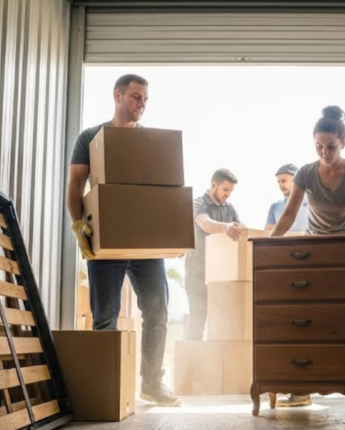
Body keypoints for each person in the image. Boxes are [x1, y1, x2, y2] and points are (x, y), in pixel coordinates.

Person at [67, 74, 180, 407]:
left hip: (145, 242)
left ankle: (152, 384)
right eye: (135, 97)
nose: (141, 104)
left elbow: (165, 189)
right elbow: (76, 185)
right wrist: (77, 225)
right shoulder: (91, 137)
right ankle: (107, 388)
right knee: (105, 316)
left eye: (145, 99)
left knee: (158, 311)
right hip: (107, 239)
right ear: (117, 96)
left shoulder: (150, 142)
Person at [270, 105, 345, 410]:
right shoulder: (306, 173)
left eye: (331, 146)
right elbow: (289, 214)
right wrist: (268, 247)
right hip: (314, 253)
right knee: (312, 321)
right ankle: (304, 387)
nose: (325, 151)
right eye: (319, 146)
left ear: (343, 142)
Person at [184, 169, 243, 341]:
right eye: (225, 190)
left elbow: (242, 228)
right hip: (197, 273)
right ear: (214, 185)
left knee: (221, 321)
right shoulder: (198, 204)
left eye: (231, 191)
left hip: (220, 275)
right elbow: (205, 224)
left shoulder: (230, 208)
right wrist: (226, 227)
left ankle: (215, 364)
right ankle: (191, 364)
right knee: (198, 319)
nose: (228, 195)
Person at [265, 164, 310, 233]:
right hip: (281, 244)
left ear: (296, 180)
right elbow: (266, 235)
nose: (280, 185)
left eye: (283, 181)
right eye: (278, 182)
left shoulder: (312, 205)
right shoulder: (275, 207)